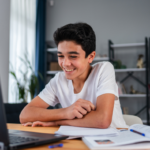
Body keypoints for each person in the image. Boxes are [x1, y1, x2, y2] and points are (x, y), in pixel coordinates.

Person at [20, 23, 127, 128]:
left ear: (90, 56)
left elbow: (102, 120)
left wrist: (57, 122)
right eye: (60, 56)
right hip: (79, 141)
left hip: (115, 141)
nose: (65, 63)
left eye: (72, 56)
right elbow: (25, 115)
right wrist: (66, 112)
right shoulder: (58, 80)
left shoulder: (103, 69)